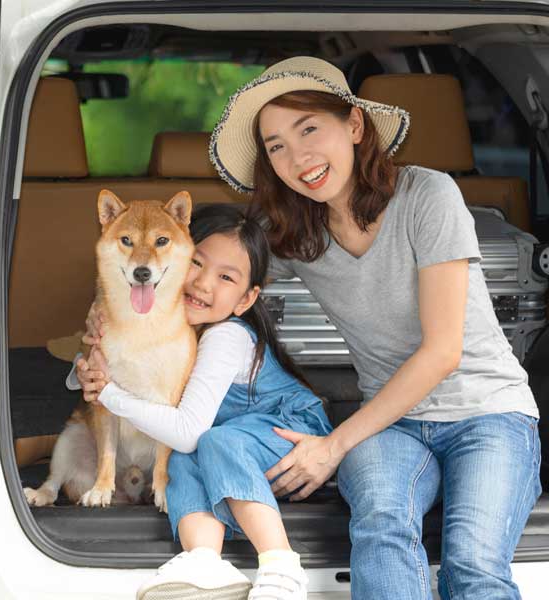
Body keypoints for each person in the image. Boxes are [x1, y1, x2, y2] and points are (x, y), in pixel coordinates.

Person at [209, 56, 541, 599]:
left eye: (309, 128)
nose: (299, 158)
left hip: (489, 413)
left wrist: (331, 447)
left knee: (473, 565)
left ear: (355, 126)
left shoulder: (427, 196)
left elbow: (441, 353)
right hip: (393, 426)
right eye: (276, 147)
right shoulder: (293, 230)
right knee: (381, 528)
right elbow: (206, 273)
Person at [78, 204, 332, 600]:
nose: (203, 284)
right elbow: (120, 357)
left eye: (226, 277)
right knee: (183, 459)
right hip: (231, 445)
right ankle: (203, 561)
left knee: (209, 442)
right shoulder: (167, 317)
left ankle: (281, 566)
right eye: (196, 263)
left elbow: (187, 429)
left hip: (289, 430)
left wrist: (109, 394)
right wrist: (87, 364)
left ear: (246, 300)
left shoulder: (225, 336)